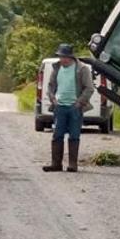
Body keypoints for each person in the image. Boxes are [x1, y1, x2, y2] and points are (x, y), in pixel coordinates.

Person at [42, 44, 95, 173]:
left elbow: (89, 88)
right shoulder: (57, 68)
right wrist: (52, 98)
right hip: (59, 107)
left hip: (74, 107)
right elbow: (50, 86)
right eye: (61, 56)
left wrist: (79, 103)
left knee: (74, 136)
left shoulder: (82, 69)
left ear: (71, 57)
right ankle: (56, 164)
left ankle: (72, 165)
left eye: (65, 57)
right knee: (57, 135)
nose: (63, 59)